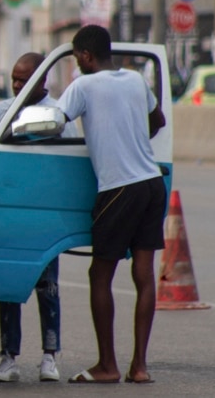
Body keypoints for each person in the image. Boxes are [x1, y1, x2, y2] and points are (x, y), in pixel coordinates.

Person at [56, 25, 166, 385]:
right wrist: (130, 136)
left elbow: (53, 123)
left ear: (86, 56)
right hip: (152, 183)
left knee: (99, 275)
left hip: (118, 189)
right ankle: (140, 366)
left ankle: (107, 365)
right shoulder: (135, 80)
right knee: (143, 274)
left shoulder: (84, 86)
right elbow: (158, 120)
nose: (77, 65)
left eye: (76, 58)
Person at [0, 52, 78, 383]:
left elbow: (72, 164)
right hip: (9, 212)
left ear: (43, 80)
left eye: (26, 80)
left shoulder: (58, 114)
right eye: (15, 79)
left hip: (44, 213)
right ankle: (8, 357)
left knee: (48, 287)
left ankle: (50, 355)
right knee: (9, 287)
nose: (18, 85)